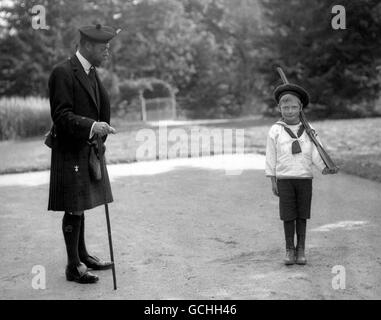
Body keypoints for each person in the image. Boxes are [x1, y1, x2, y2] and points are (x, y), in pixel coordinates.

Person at [47, 24, 119, 283]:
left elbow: (99, 105)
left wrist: (101, 137)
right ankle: (73, 266)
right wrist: (92, 126)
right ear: (87, 46)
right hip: (70, 150)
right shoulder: (63, 73)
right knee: (74, 207)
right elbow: (61, 116)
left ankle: (83, 255)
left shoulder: (90, 71)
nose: (107, 52)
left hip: (87, 148)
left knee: (81, 205)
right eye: (103, 47)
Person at [265, 83, 338, 265]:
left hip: (304, 178)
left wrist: (324, 167)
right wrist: (273, 179)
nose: (289, 111)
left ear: (300, 108)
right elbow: (271, 156)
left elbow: (315, 152)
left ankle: (301, 250)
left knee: (302, 214)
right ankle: (290, 249)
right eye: (285, 107)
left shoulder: (308, 129)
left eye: (293, 107)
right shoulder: (276, 130)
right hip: (285, 179)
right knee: (288, 215)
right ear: (279, 108)